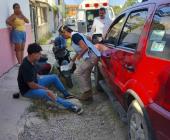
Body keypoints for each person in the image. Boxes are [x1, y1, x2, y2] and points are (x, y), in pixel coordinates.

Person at [17, 43, 83, 114]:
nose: (40, 55)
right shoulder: (25, 66)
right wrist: (45, 89)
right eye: (39, 53)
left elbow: (33, 71)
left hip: (35, 81)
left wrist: (38, 76)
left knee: (54, 77)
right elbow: (31, 85)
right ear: (33, 54)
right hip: (28, 90)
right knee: (48, 93)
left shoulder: (31, 60)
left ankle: (66, 95)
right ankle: (72, 106)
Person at [61, 25, 101, 101]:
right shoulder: (75, 36)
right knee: (86, 74)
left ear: (66, 32)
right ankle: (89, 95)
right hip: (92, 56)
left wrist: (79, 56)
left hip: (91, 56)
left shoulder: (74, 36)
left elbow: (85, 47)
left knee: (77, 73)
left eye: (62, 34)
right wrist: (72, 61)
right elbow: (79, 50)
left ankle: (87, 92)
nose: (62, 36)